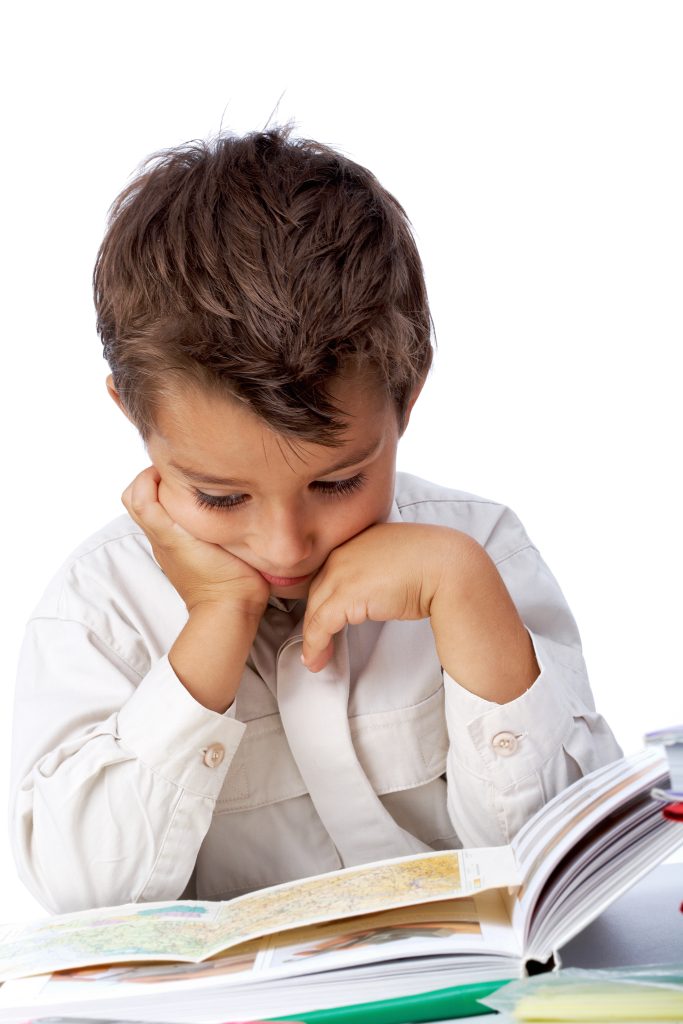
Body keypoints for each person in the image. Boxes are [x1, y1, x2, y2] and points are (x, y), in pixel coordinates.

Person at [10, 126, 623, 914]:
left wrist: (466, 598)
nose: (284, 545)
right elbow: (82, 894)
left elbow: (572, 865)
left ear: (406, 395)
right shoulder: (100, 609)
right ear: (133, 415)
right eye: (223, 497)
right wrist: (216, 624)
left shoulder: (480, 554)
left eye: (337, 482)